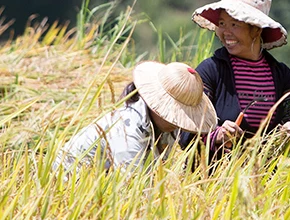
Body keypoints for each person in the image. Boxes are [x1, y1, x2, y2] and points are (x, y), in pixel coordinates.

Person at [187, 0, 290, 156]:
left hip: (264, 172)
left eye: (235, 24)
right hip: (215, 171)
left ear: (257, 29)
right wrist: (217, 134)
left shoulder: (282, 75)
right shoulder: (210, 71)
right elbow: (188, 129)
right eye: (222, 24)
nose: (226, 32)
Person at [55, 61, 217, 172]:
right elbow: (131, 188)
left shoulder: (166, 129)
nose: (180, 123)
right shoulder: (127, 130)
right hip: (67, 188)